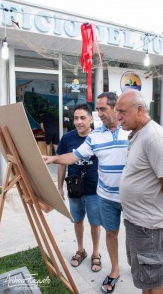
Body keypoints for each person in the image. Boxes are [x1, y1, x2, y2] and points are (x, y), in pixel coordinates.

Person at [43, 92, 130, 294]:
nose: (99, 113)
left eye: (101, 109)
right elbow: (73, 157)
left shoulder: (130, 130)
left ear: (115, 108)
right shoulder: (94, 137)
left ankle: (134, 264)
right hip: (104, 196)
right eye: (97, 109)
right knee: (109, 232)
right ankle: (112, 267)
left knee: (133, 234)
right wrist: (52, 160)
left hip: (128, 196)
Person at [115, 89, 163, 294]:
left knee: (153, 281)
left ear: (139, 110)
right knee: (145, 279)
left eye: (122, 111)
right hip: (136, 222)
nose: (118, 116)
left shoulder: (155, 137)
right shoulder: (138, 133)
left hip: (149, 226)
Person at [57, 103, 101, 272]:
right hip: (74, 188)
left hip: (94, 189)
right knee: (77, 221)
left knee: (95, 223)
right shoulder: (67, 138)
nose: (79, 122)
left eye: (83, 118)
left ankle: (96, 253)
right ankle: (81, 250)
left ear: (91, 119)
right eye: (76, 118)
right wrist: (59, 187)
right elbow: (61, 164)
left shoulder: (99, 137)